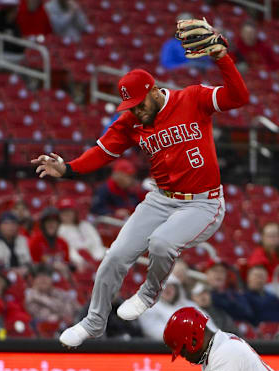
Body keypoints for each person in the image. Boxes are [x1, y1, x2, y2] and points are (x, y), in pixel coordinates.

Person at [32, 31, 249, 347]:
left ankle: (148, 294)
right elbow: (102, 152)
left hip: (203, 203)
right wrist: (68, 168)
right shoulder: (131, 121)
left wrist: (221, 58)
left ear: (154, 91)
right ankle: (94, 322)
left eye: (137, 103)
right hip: (161, 198)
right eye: (128, 105)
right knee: (115, 256)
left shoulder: (191, 98)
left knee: (161, 243)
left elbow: (239, 97)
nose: (134, 110)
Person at [139, 275, 197, 341]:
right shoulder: (149, 307)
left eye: (171, 287)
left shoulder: (188, 305)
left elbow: (207, 325)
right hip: (162, 348)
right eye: (164, 287)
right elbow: (153, 331)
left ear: (177, 290)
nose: (168, 289)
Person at [56, 197, 105, 269]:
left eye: (69, 211)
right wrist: (80, 261)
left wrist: (97, 259)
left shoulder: (85, 225)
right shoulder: (59, 230)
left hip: (95, 257)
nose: (67, 214)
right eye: (63, 211)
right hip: (77, 263)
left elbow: (97, 243)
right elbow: (68, 250)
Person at [28, 207, 72, 279]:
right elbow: (33, 267)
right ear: (43, 224)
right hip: (42, 279)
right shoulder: (35, 241)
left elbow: (67, 264)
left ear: (58, 224)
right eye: (48, 222)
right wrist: (52, 266)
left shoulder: (63, 243)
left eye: (54, 222)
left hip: (61, 280)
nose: (51, 224)